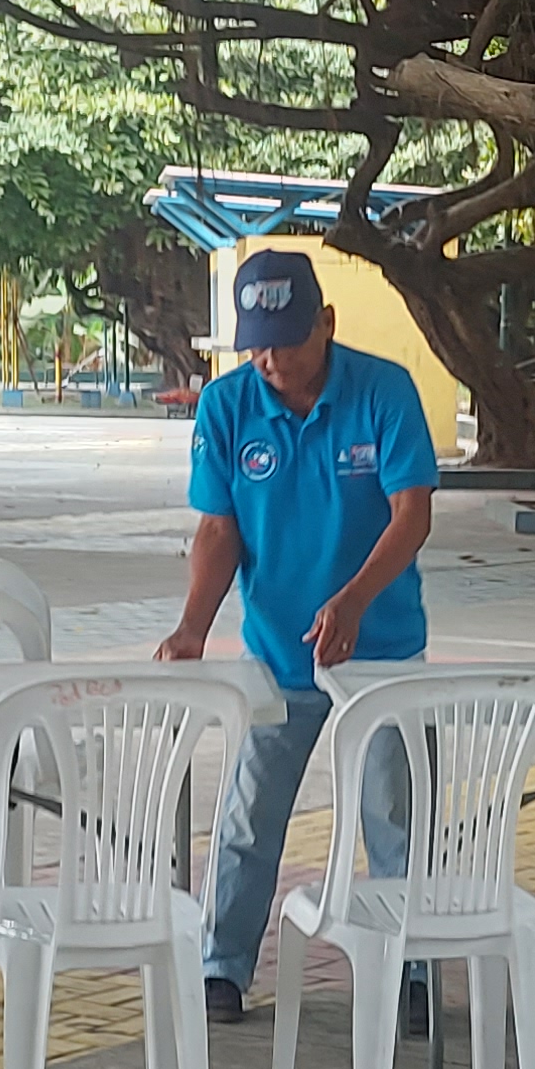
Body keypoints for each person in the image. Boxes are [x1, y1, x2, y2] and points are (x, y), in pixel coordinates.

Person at [153, 248, 437, 1022]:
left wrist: (352, 602)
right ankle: (222, 966)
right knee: (250, 815)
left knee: (394, 815)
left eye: (286, 340)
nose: (272, 360)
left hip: (382, 650)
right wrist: (191, 627)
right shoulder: (227, 406)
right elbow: (219, 529)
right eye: (257, 346)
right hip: (279, 652)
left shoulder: (384, 391)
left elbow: (412, 514)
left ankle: (412, 970)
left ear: (327, 323)